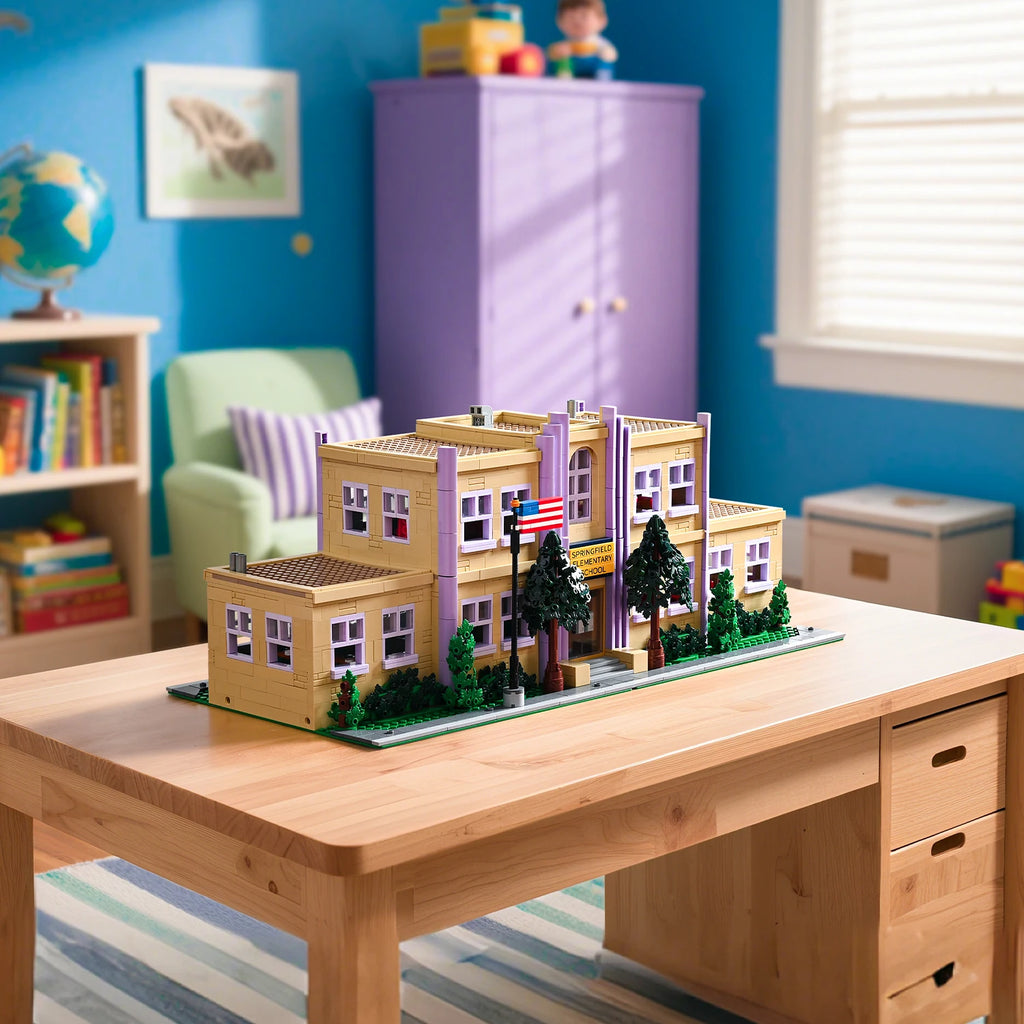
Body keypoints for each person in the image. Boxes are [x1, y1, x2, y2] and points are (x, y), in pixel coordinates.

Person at [549, 0, 618, 76]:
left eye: (584, 16)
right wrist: (559, 53)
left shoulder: (600, 45)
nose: (577, 21)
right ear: (559, 21)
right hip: (571, 76)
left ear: (602, 21)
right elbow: (552, 53)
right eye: (571, 17)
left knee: (605, 59)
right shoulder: (565, 45)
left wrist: (606, 53)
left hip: (595, 74)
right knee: (562, 59)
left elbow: (611, 53)